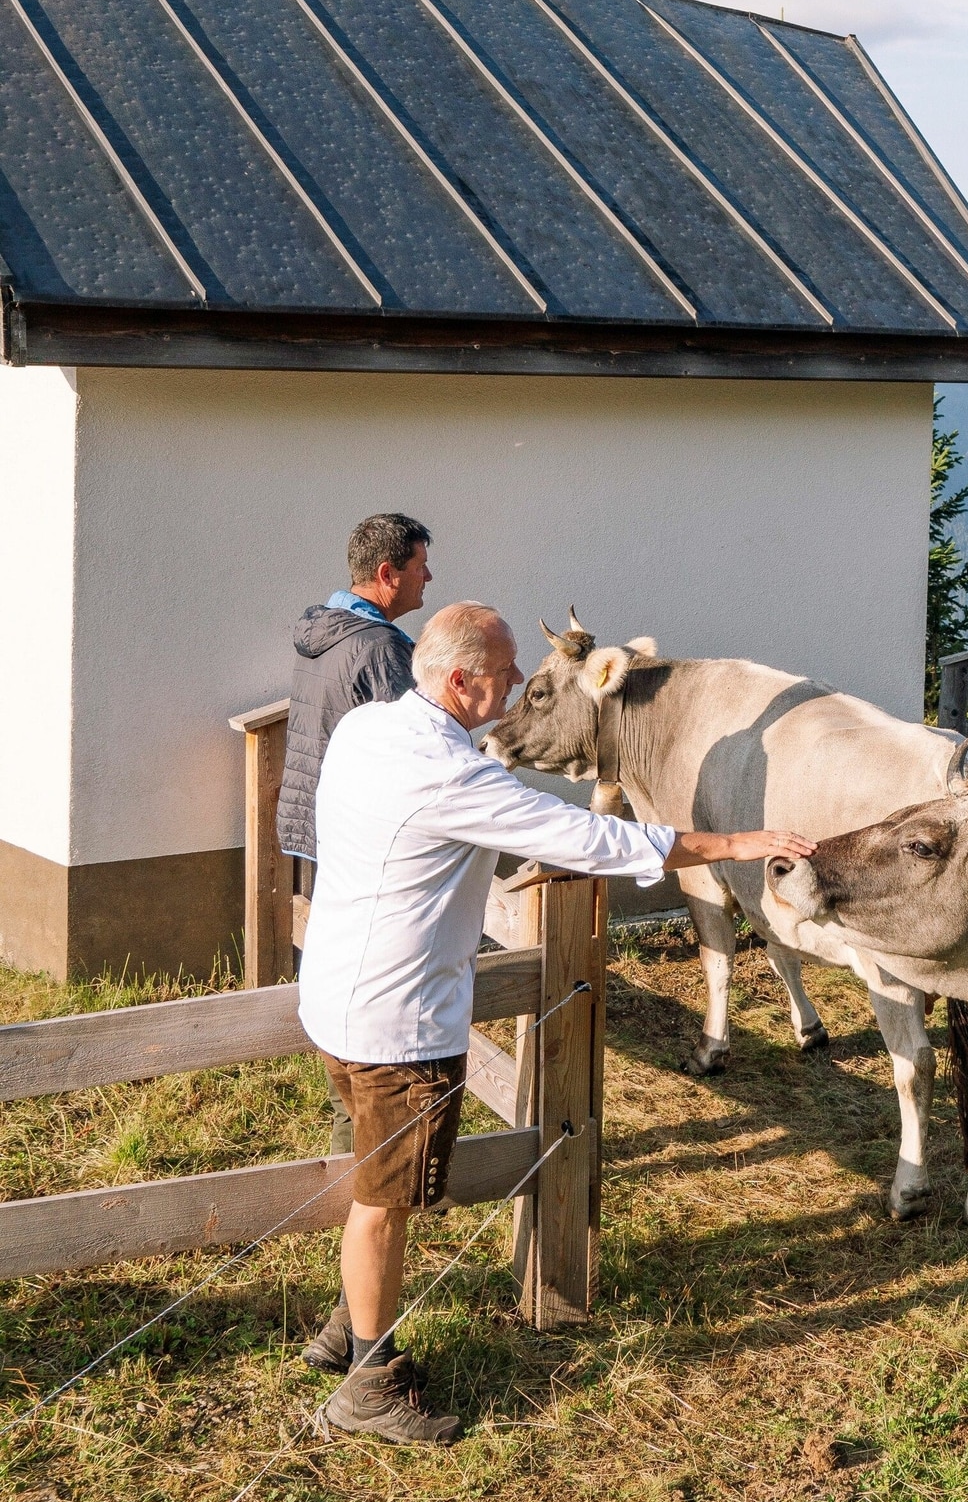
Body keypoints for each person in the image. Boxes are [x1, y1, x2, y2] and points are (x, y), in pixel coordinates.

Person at [296, 599, 810, 1448]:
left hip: (338, 994)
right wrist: (733, 844)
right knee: (386, 1200)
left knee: (376, 1182)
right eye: (505, 678)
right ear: (460, 682)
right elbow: (590, 838)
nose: (516, 690)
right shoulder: (453, 776)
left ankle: (350, 1322)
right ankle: (368, 1380)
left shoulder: (368, 729)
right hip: (399, 1019)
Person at [277, 512, 434, 868]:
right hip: (358, 832)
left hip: (317, 817)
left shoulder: (326, 630)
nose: (428, 577)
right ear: (387, 574)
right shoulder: (378, 646)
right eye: (420, 566)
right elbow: (418, 750)